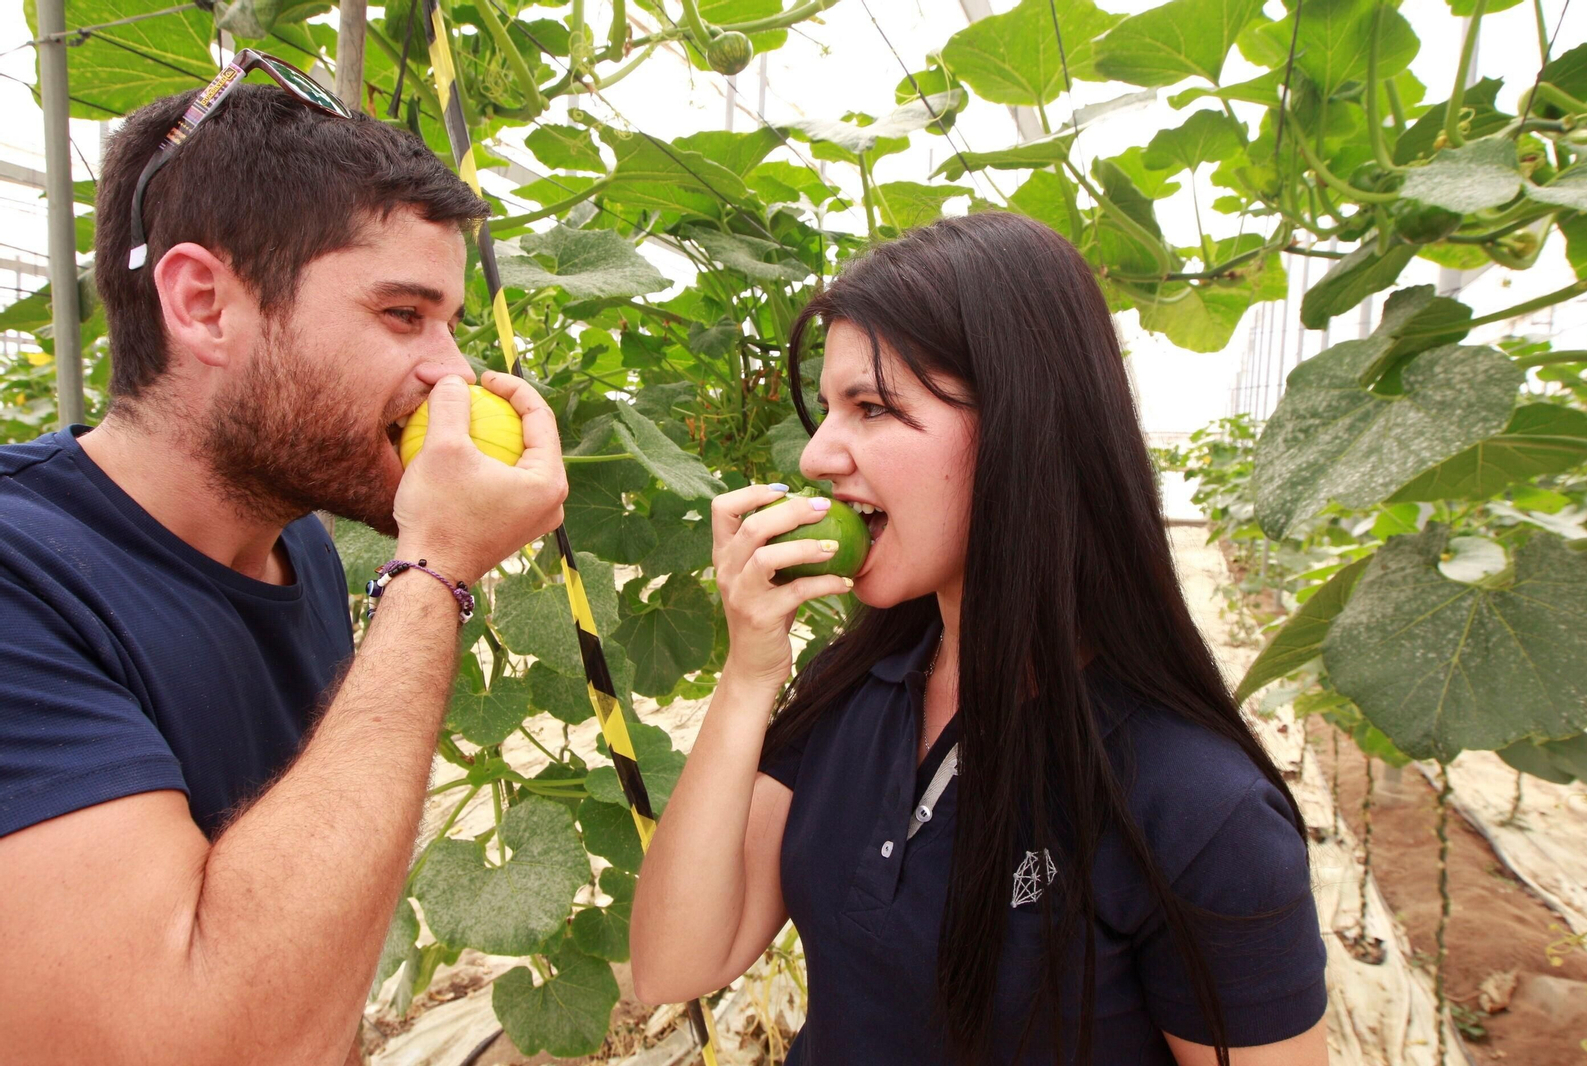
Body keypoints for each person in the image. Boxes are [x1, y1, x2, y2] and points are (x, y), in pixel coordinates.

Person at [631, 212, 1329, 1065]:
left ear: (1020, 429)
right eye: (827, 409)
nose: (816, 456)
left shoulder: (1196, 807)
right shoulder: (860, 686)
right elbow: (674, 962)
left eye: (872, 408)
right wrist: (747, 676)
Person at [0, 73, 567, 1065]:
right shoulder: (22, 578)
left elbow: (305, 936)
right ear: (205, 303)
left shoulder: (292, 536)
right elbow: (201, 1042)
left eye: (452, 325)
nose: (453, 373)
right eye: (403, 314)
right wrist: (433, 574)